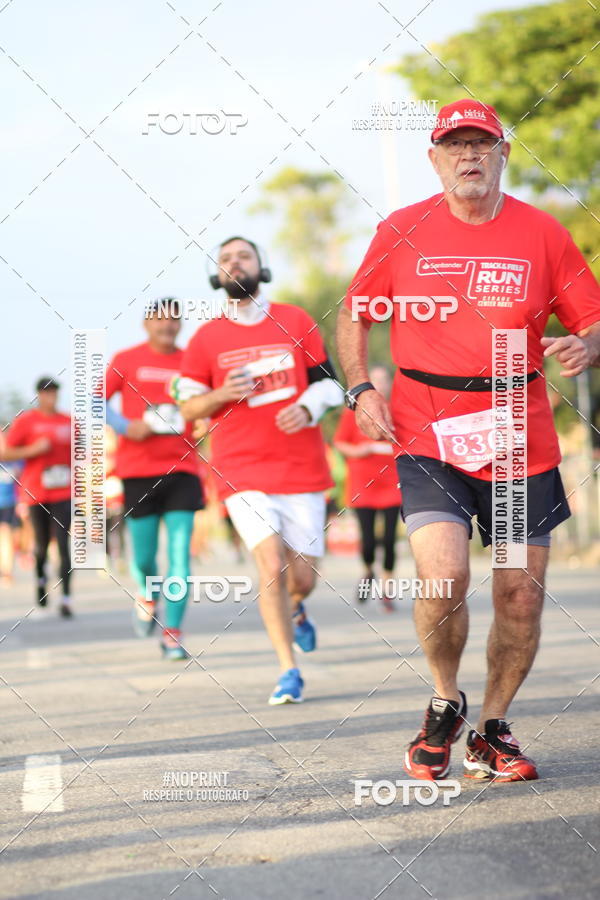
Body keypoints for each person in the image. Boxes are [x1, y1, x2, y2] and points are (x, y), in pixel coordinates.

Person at [336, 99, 600, 782]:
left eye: (480, 142)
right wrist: (362, 389)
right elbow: (354, 318)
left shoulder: (543, 235)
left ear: (502, 152)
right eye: (453, 145)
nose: (468, 155)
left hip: (516, 435)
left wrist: (586, 344)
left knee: (520, 594)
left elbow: (594, 319)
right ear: (435, 159)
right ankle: (444, 698)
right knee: (444, 573)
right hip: (428, 431)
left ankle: (490, 727)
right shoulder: (401, 229)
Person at [171, 236, 343, 704]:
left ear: (261, 268)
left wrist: (308, 408)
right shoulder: (206, 338)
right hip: (239, 469)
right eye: (225, 259)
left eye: (243, 256)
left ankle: (298, 609)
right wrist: (222, 393)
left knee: (301, 578)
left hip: (301, 468)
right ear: (217, 276)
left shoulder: (295, 320)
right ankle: (288, 669)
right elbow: (187, 407)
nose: (234, 263)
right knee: (269, 565)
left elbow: (330, 387)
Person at [106, 298, 204, 660]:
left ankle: (173, 631)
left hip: (183, 469)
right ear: (146, 324)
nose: (167, 326)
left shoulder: (191, 362)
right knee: (144, 558)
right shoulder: (126, 359)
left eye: (174, 320)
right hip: (137, 472)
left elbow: (208, 404)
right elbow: (94, 399)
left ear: (180, 325)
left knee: (180, 554)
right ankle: (147, 592)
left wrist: (208, 421)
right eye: (160, 320)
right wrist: (123, 426)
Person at [2, 377, 73, 615]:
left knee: (64, 544)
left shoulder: (68, 421)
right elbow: (6, 453)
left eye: (54, 392)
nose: (51, 397)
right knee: (41, 545)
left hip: (63, 491)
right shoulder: (26, 422)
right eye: (46, 393)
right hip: (36, 493)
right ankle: (41, 586)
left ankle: (66, 597)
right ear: (39, 395)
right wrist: (33, 450)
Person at [334, 365, 401, 610]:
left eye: (385, 380)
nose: (381, 385)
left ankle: (387, 588)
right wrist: (358, 450)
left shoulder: (398, 410)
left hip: (392, 484)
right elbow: (340, 443)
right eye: (376, 380)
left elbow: (408, 442)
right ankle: (367, 571)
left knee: (391, 538)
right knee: (369, 539)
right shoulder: (353, 412)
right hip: (364, 484)